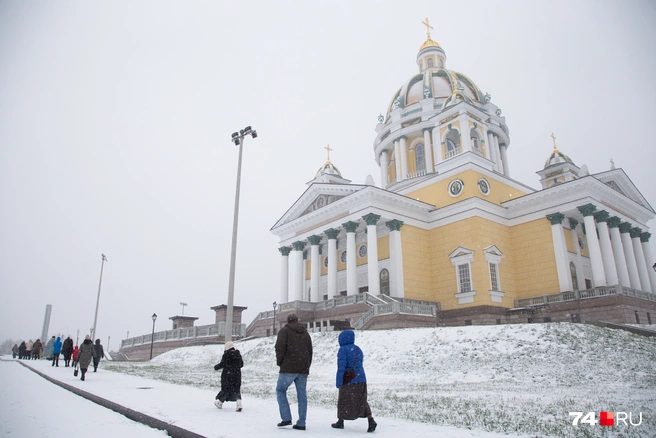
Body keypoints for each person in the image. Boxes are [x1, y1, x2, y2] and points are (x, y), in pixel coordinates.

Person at [331, 330, 377, 433]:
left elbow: (341, 368)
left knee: (343, 400)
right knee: (362, 400)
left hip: (349, 380)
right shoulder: (358, 349)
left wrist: (339, 382)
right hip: (361, 379)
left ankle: (340, 421)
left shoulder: (343, 350)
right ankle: (370, 419)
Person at [274, 313, 313, 431]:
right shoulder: (306, 333)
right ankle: (302, 422)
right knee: (302, 395)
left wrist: (280, 362)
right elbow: (310, 351)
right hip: (303, 368)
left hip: (288, 367)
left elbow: (279, 348)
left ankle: (286, 418)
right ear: (297, 320)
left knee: (280, 390)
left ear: (288, 321)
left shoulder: (284, 331)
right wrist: (306, 365)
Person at [213, 341, 244, 411]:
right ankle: (239, 404)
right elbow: (241, 364)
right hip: (237, 375)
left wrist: (216, 367)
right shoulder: (238, 354)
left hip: (227, 375)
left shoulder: (226, 355)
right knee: (236, 389)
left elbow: (223, 364)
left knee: (226, 389)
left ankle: (220, 403)